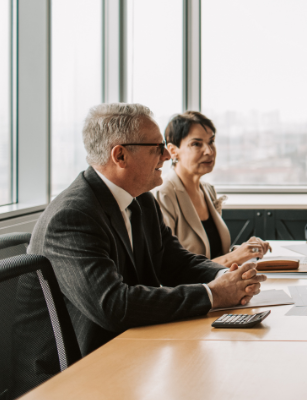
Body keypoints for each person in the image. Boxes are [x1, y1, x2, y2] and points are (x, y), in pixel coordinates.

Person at [18, 103, 266, 388]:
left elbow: (175, 261)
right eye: (156, 147)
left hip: (127, 350)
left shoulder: (141, 200)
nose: (165, 154)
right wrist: (213, 295)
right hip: (72, 374)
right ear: (120, 155)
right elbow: (114, 306)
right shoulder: (72, 216)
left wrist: (228, 277)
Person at [154, 111, 271, 267]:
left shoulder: (208, 190)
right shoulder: (163, 194)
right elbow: (169, 270)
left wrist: (245, 251)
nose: (209, 151)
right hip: (193, 291)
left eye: (211, 142)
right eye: (196, 144)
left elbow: (215, 255)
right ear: (173, 150)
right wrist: (233, 257)